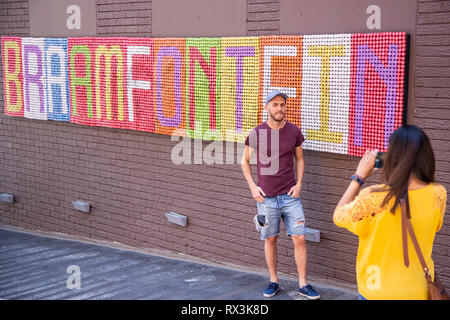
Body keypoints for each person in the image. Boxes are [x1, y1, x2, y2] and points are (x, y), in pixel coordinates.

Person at [333, 125, 447, 300]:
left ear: (392, 158)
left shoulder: (375, 197)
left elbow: (339, 216)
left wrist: (358, 177)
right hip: (420, 289)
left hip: (376, 289)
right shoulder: (438, 193)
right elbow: (435, 226)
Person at [241, 90, 320, 299]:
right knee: (270, 239)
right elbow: (244, 161)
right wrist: (252, 187)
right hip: (266, 198)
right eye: (275, 104)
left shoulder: (294, 132)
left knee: (300, 238)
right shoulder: (257, 133)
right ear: (266, 107)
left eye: (282, 104)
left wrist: (300, 184)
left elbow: (300, 160)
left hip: (290, 196)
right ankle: (274, 280)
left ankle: (303, 283)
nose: (279, 108)